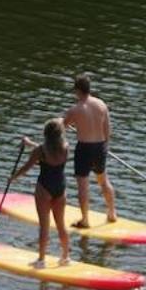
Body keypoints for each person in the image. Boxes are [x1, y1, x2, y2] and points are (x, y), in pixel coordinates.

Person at [10, 118, 72, 267]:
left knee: (44, 226)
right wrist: (30, 142)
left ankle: (41, 260)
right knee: (61, 225)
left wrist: (13, 178)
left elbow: (27, 167)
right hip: (61, 188)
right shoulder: (66, 147)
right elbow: (48, 149)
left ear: (45, 134)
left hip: (44, 188)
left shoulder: (40, 151)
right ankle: (65, 257)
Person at [61, 74, 117, 228]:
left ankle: (85, 220)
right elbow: (107, 129)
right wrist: (106, 146)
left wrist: (62, 122)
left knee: (83, 185)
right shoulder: (101, 105)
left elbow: (63, 127)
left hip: (84, 149)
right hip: (100, 147)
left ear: (78, 91)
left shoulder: (75, 109)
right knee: (103, 181)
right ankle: (112, 213)